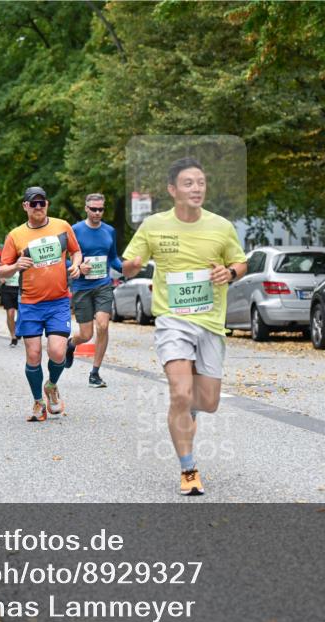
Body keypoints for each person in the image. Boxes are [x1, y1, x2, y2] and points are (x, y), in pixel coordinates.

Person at [121, 157, 247, 495]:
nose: (196, 188)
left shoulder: (221, 226)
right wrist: (131, 267)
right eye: (188, 183)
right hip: (172, 320)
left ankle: (190, 408)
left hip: (210, 322)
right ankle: (188, 469)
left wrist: (229, 273)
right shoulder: (153, 225)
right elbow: (129, 264)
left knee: (208, 402)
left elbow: (240, 262)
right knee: (179, 391)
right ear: (172, 190)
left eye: (201, 182)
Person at [0, 187, 81, 422]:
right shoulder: (15, 235)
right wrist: (16, 266)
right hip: (30, 303)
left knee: (57, 351)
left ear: (47, 204)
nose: (38, 207)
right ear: (25, 206)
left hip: (58, 301)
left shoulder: (62, 226)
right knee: (33, 355)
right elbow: (2, 271)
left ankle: (51, 385)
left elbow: (76, 252)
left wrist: (76, 264)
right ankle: (38, 402)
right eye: (33, 203)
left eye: (41, 203)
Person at [64, 193, 122, 388]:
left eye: (101, 209)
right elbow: (63, 258)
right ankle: (71, 344)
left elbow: (113, 258)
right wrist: (78, 267)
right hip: (82, 287)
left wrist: (127, 268)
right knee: (86, 334)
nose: (97, 212)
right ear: (86, 208)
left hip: (103, 285)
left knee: (103, 326)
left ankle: (95, 373)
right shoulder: (75, 230)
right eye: (94, 209)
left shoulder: (109, 231)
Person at [0, 238, 21, 348]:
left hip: (20, 289)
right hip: (7, 288)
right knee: (10, 313)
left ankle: (17, 327)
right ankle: (13, 336)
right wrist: (1, 277)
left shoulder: (23, 254)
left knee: (22, 314)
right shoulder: (3, 257)